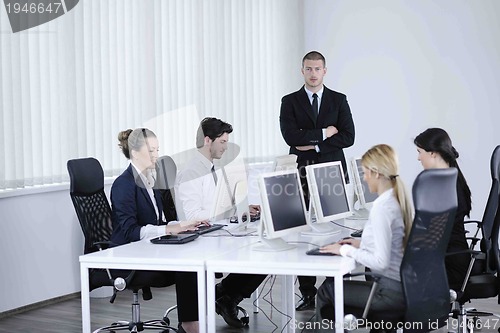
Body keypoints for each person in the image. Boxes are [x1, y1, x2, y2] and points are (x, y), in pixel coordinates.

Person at [110, 128, 208, 333]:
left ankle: (192, 323)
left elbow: (159, 220)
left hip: (150, 249)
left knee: (194, 256)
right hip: (129, 257)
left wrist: (182, 226)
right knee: (187, 265)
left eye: (157, 150)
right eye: (151, 150)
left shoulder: (150, 181)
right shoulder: (123, 185)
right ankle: (191, 326)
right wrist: (167, 228)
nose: (156, 155)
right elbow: (130, 232)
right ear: (135, 153)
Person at [279, 50, 355, 311]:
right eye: (308, 69)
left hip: (331, 173)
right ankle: (308, 292)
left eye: (317, 69)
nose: (313, 74)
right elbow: (290, 136)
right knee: (303, 231)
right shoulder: (289, 101)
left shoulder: (338, 100)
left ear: (325, 70)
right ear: (302, 71)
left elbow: (348, 136)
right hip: (300, 173)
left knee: (335, 228)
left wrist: (313, 145)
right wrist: (324, 132)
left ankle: (336, 290)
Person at [175, 117, 266, 328]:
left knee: (265, 250)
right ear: (208, 140)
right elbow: (193, 216)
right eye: (223, 142)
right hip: (200, 239)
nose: (225, 147)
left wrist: (240, 209)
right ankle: (226, 295)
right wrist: (228, 213)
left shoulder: (209, 167)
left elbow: (215, 206)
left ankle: (227, 295)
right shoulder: (192, 171)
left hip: (216, 231)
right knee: (259, 251)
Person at [315, 144, 413, 333]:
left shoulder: (381, 208)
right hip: (405, 287)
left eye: (365, 172)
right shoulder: (398, 197)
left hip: (389, 293)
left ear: (376, 173)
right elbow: (394, 243)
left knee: (327, 290)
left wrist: (344, 250)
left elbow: (381, 262)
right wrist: (361, 244)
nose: (364, 178)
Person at [414, 127, 471, 289]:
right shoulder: (452, 178)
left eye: (420, 152)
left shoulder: (444, 186)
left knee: (380, 267)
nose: (418, 158)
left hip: (448, 263)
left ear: (432, 153)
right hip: (452, 257)